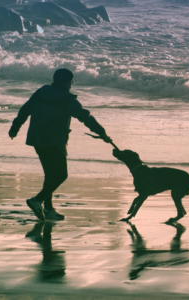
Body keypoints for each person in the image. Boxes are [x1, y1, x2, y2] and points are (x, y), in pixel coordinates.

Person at [9, 68, 112, 221]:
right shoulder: (68, 100)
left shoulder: (41, 92)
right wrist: (102, 132)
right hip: (54, 140)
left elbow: (25, 110)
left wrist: (15, 127)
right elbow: (85, 117)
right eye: (71, 81)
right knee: (61, 175)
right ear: (66, 82)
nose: (72, 84)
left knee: (50, 174)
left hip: (37, 138)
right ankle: (37, 200)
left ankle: (49, 209)